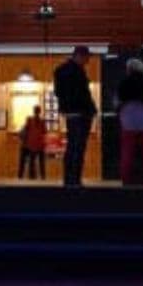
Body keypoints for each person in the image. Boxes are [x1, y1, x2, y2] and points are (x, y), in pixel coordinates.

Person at [53, 45, 97, 187]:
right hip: (81, 112)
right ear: (80, 56)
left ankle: (69, 178)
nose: (88, 61)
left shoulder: (60, 71)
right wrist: (91, 109)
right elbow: (83, 93)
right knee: (78, 147)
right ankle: (75, 179)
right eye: (86, 58)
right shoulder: (77, 71)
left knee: (72, 146)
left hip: (71, 112)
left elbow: (58, 92)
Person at [117, 58, 143, 184]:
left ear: (128, 69)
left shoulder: (123, 83)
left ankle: (126, 178)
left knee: (127, 152)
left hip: (129, 122)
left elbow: (117, 102)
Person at [18, 105, 47, 180]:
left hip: (30, 144)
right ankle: (42, 178)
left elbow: (25, 130)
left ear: (34, 111)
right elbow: (45, 132)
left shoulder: (30, 120)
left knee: (31, 163)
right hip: (38, 144)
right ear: (39, 111)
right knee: (40, 163)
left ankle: (30, 178)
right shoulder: (41, 121)